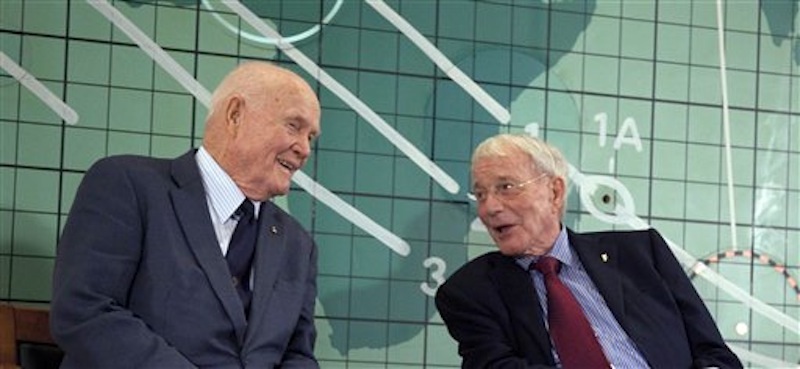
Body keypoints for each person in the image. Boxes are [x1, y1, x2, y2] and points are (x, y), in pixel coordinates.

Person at [50, 61, 322, 368]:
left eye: (311, 137)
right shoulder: (126, 185)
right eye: (293, 126)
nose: (304, 149)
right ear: (235, 115)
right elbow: (85, 310)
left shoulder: (298, 246)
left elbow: (298, 356)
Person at [435, 133, 742, 369]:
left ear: (554, 192)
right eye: (480, 194)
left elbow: (715, 354)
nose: (489, 207)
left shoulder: (642, 253)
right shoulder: (469, 293)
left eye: (506, 187)